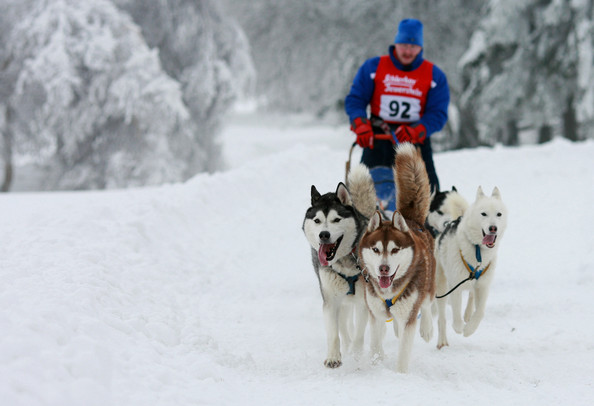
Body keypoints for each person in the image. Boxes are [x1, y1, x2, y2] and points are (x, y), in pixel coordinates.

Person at [345, 18, 449, 198]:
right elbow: (356, 100)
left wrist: (418, 130)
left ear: (420, 48)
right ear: (396, 43)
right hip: (377, 135)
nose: (408, 51)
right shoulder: (373, 68)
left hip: (414, 138)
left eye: (413, 46)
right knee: (363, 193)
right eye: (403, 45)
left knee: (429, 193)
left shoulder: (434, 76)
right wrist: (360, 124)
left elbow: (438, 113)